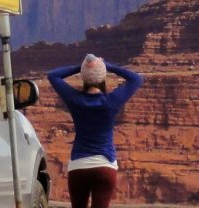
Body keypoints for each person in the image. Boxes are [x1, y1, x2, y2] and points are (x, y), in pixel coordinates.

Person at [46, 54, 143, 208]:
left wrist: (81, 68)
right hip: (105, 165)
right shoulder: (111, 101)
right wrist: (108, 66)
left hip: (79, 165)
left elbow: (53, 75)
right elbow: (136, 79)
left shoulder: (75, 100)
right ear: (102, 76)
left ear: (84, 77)